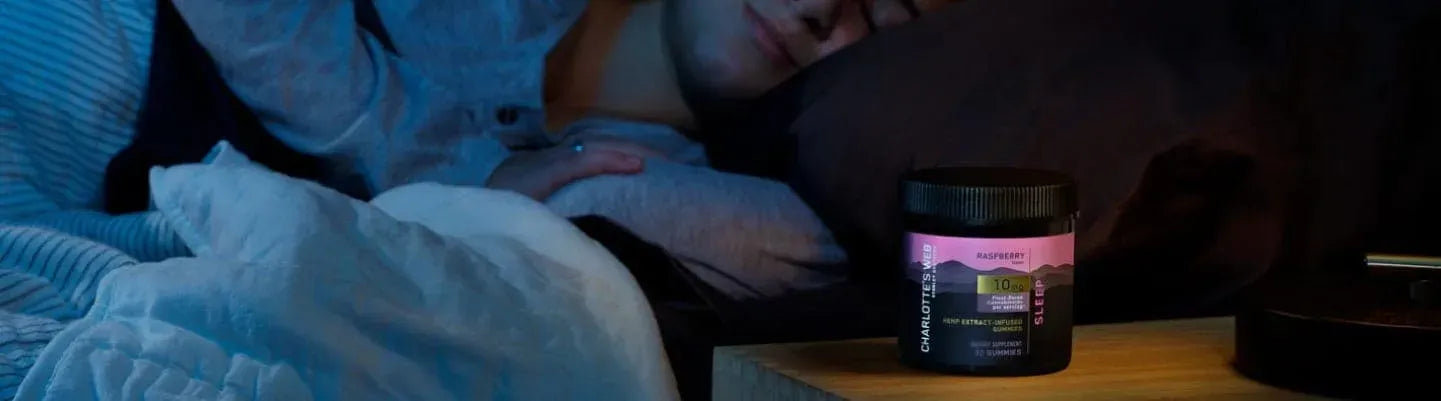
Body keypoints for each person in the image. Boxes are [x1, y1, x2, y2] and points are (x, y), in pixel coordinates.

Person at [1, 0, 954, 300]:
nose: (820, 7)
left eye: (883, 11)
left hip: (127, 224)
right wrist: (460, 172)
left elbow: (818, 243)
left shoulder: (666, 183)